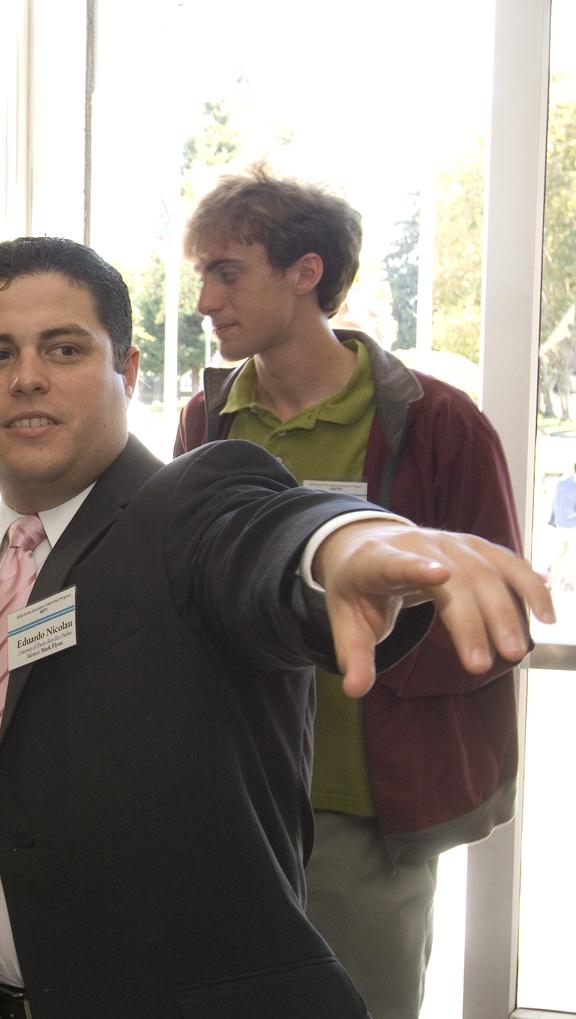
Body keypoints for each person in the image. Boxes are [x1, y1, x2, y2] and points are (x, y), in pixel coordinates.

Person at [0, 235, 550, 1019]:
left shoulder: (187, 508)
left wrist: (342, 545)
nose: (26, 378)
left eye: (63, 348)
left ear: (125, 369)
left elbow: (264, 531)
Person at [174, 166, 522, 1018]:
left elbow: (497, 605)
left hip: (368, 805)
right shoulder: (205, 423)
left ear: (307, 272)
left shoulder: (436, 423)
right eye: (202, 276)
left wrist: (370, 628)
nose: (206, 299)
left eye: (227, 271)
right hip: (237, 797)